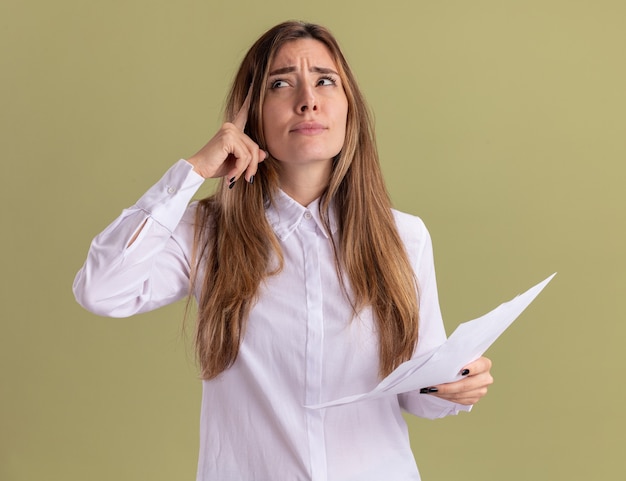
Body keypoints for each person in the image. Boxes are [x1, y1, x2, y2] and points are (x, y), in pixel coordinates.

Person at [73, 20, 493, 481]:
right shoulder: (210, 233)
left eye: (324, 80)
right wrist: (193, 170)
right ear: (252, 116)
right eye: (281, 83)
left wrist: (453, 384)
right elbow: (101, 289)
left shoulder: (404, 237)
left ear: (349, 107)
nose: (307, 99)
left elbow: (417, 395)